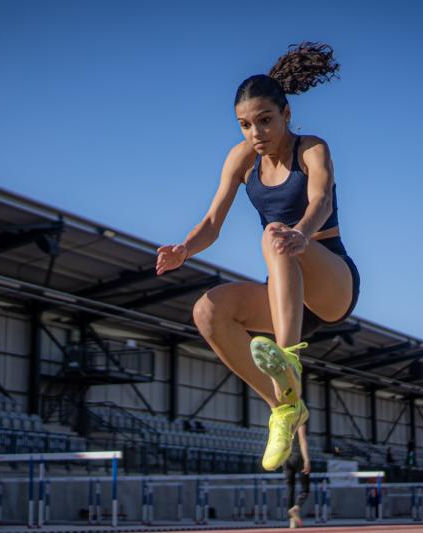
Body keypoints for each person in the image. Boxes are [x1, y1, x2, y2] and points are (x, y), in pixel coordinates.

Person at [156, 42, 360, 471]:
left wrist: (302, 235)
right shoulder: (241, 159)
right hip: (286, 293)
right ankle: (284, 406)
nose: (256, 133)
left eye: (265, 121)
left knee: (275, 234)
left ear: (286, 115)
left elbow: (321, 200)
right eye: (245, 125)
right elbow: (213, 221)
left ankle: (287, 358)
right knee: (208, 311)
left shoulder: (311, 149)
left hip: (331, 279)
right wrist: (184, 249)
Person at [284, 423, 311, 528]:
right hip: (298, 456)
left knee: (290, 488)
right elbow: (302, 441)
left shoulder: (284, 422)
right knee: (305, 489)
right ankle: (296, 507)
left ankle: (292, 521)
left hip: (286, 458)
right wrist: (306, 459)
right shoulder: (300, 421)